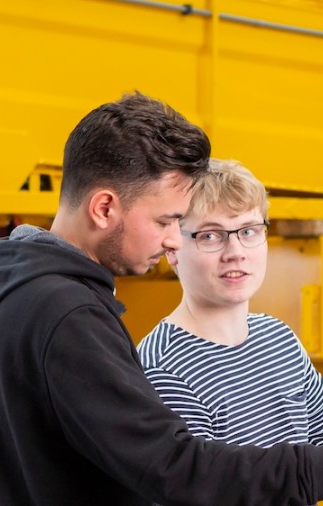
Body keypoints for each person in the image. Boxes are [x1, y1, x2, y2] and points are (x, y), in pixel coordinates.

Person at [0, 92, 323, 505]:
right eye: (166, 221)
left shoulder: (37, 295)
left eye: (248, 231)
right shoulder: (67, 313)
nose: (173, 239)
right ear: (104, 209)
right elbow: (177, 470)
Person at [138, 159, 323, 447]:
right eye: (211, 235)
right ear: (172, 248)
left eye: (248, 231)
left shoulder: (280, 339)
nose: (235, 253)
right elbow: (205, 488)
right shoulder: (163, 370)